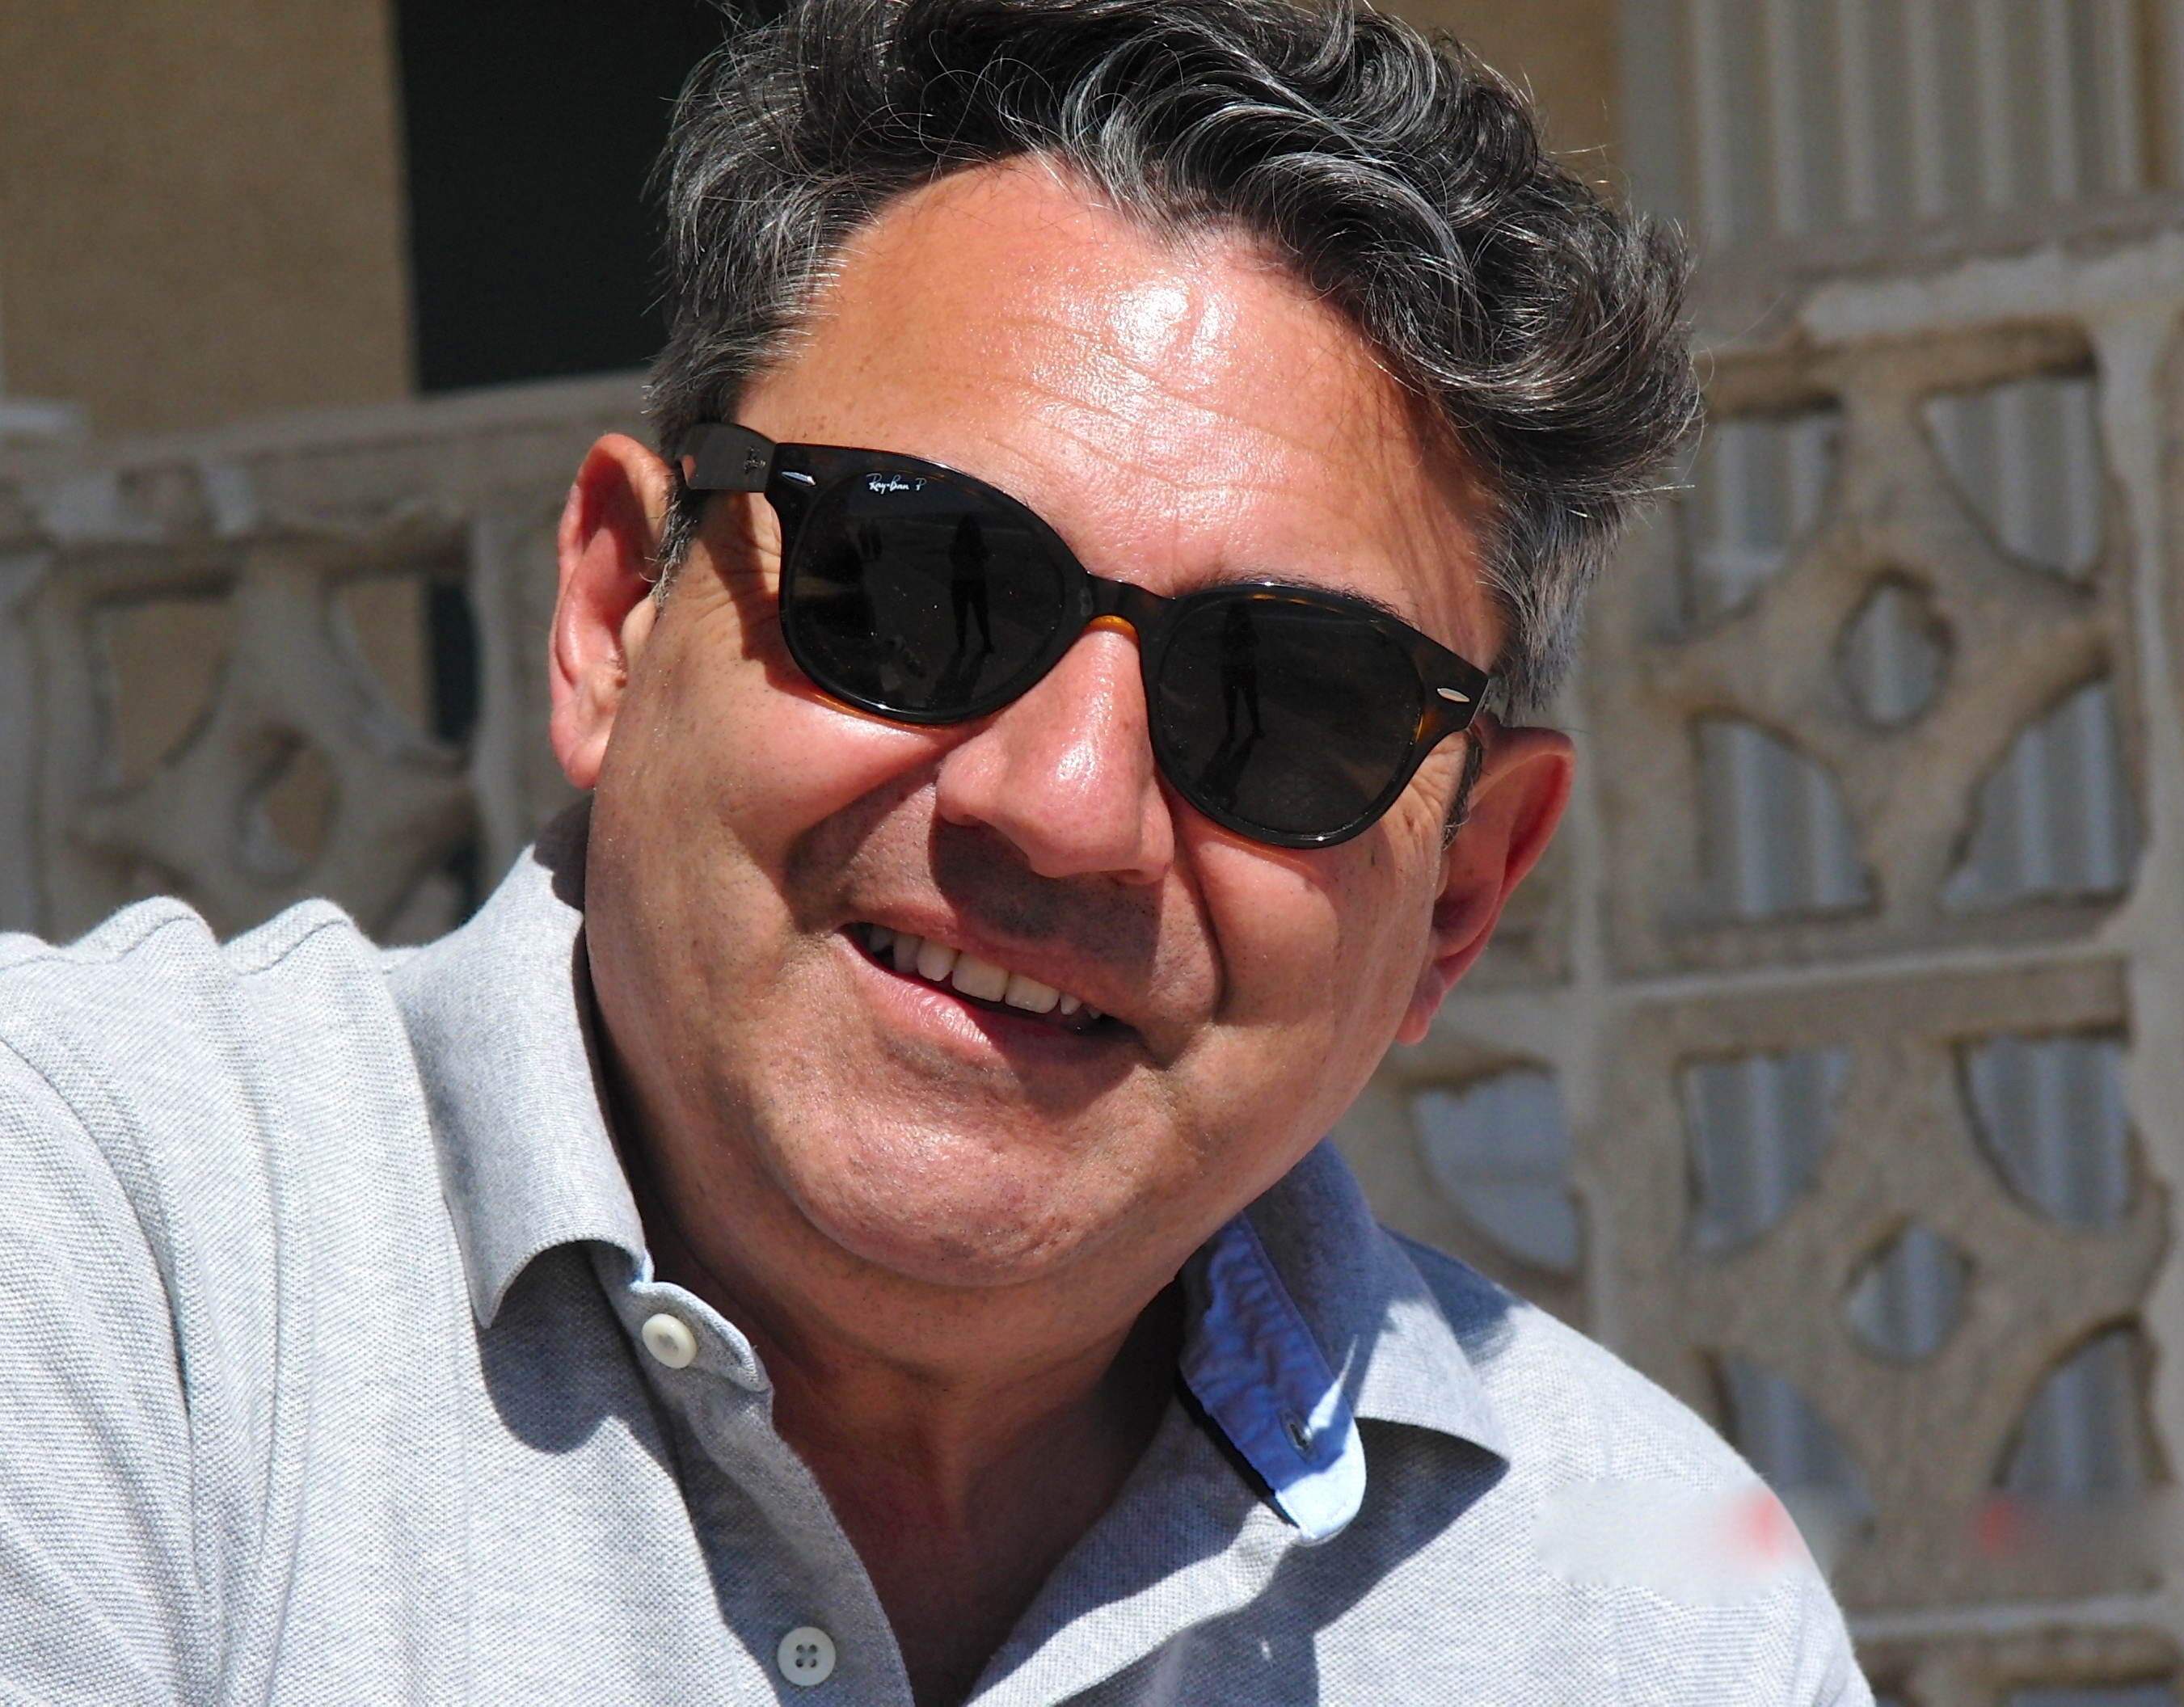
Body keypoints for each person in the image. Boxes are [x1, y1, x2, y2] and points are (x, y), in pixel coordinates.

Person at [0, 2, 1871, 1702]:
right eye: (916, 585)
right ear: (612, 619)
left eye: (1283, 697)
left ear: (1460, 893)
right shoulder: (112, 1270)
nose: (1062, 803)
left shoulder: (1646, 1622)